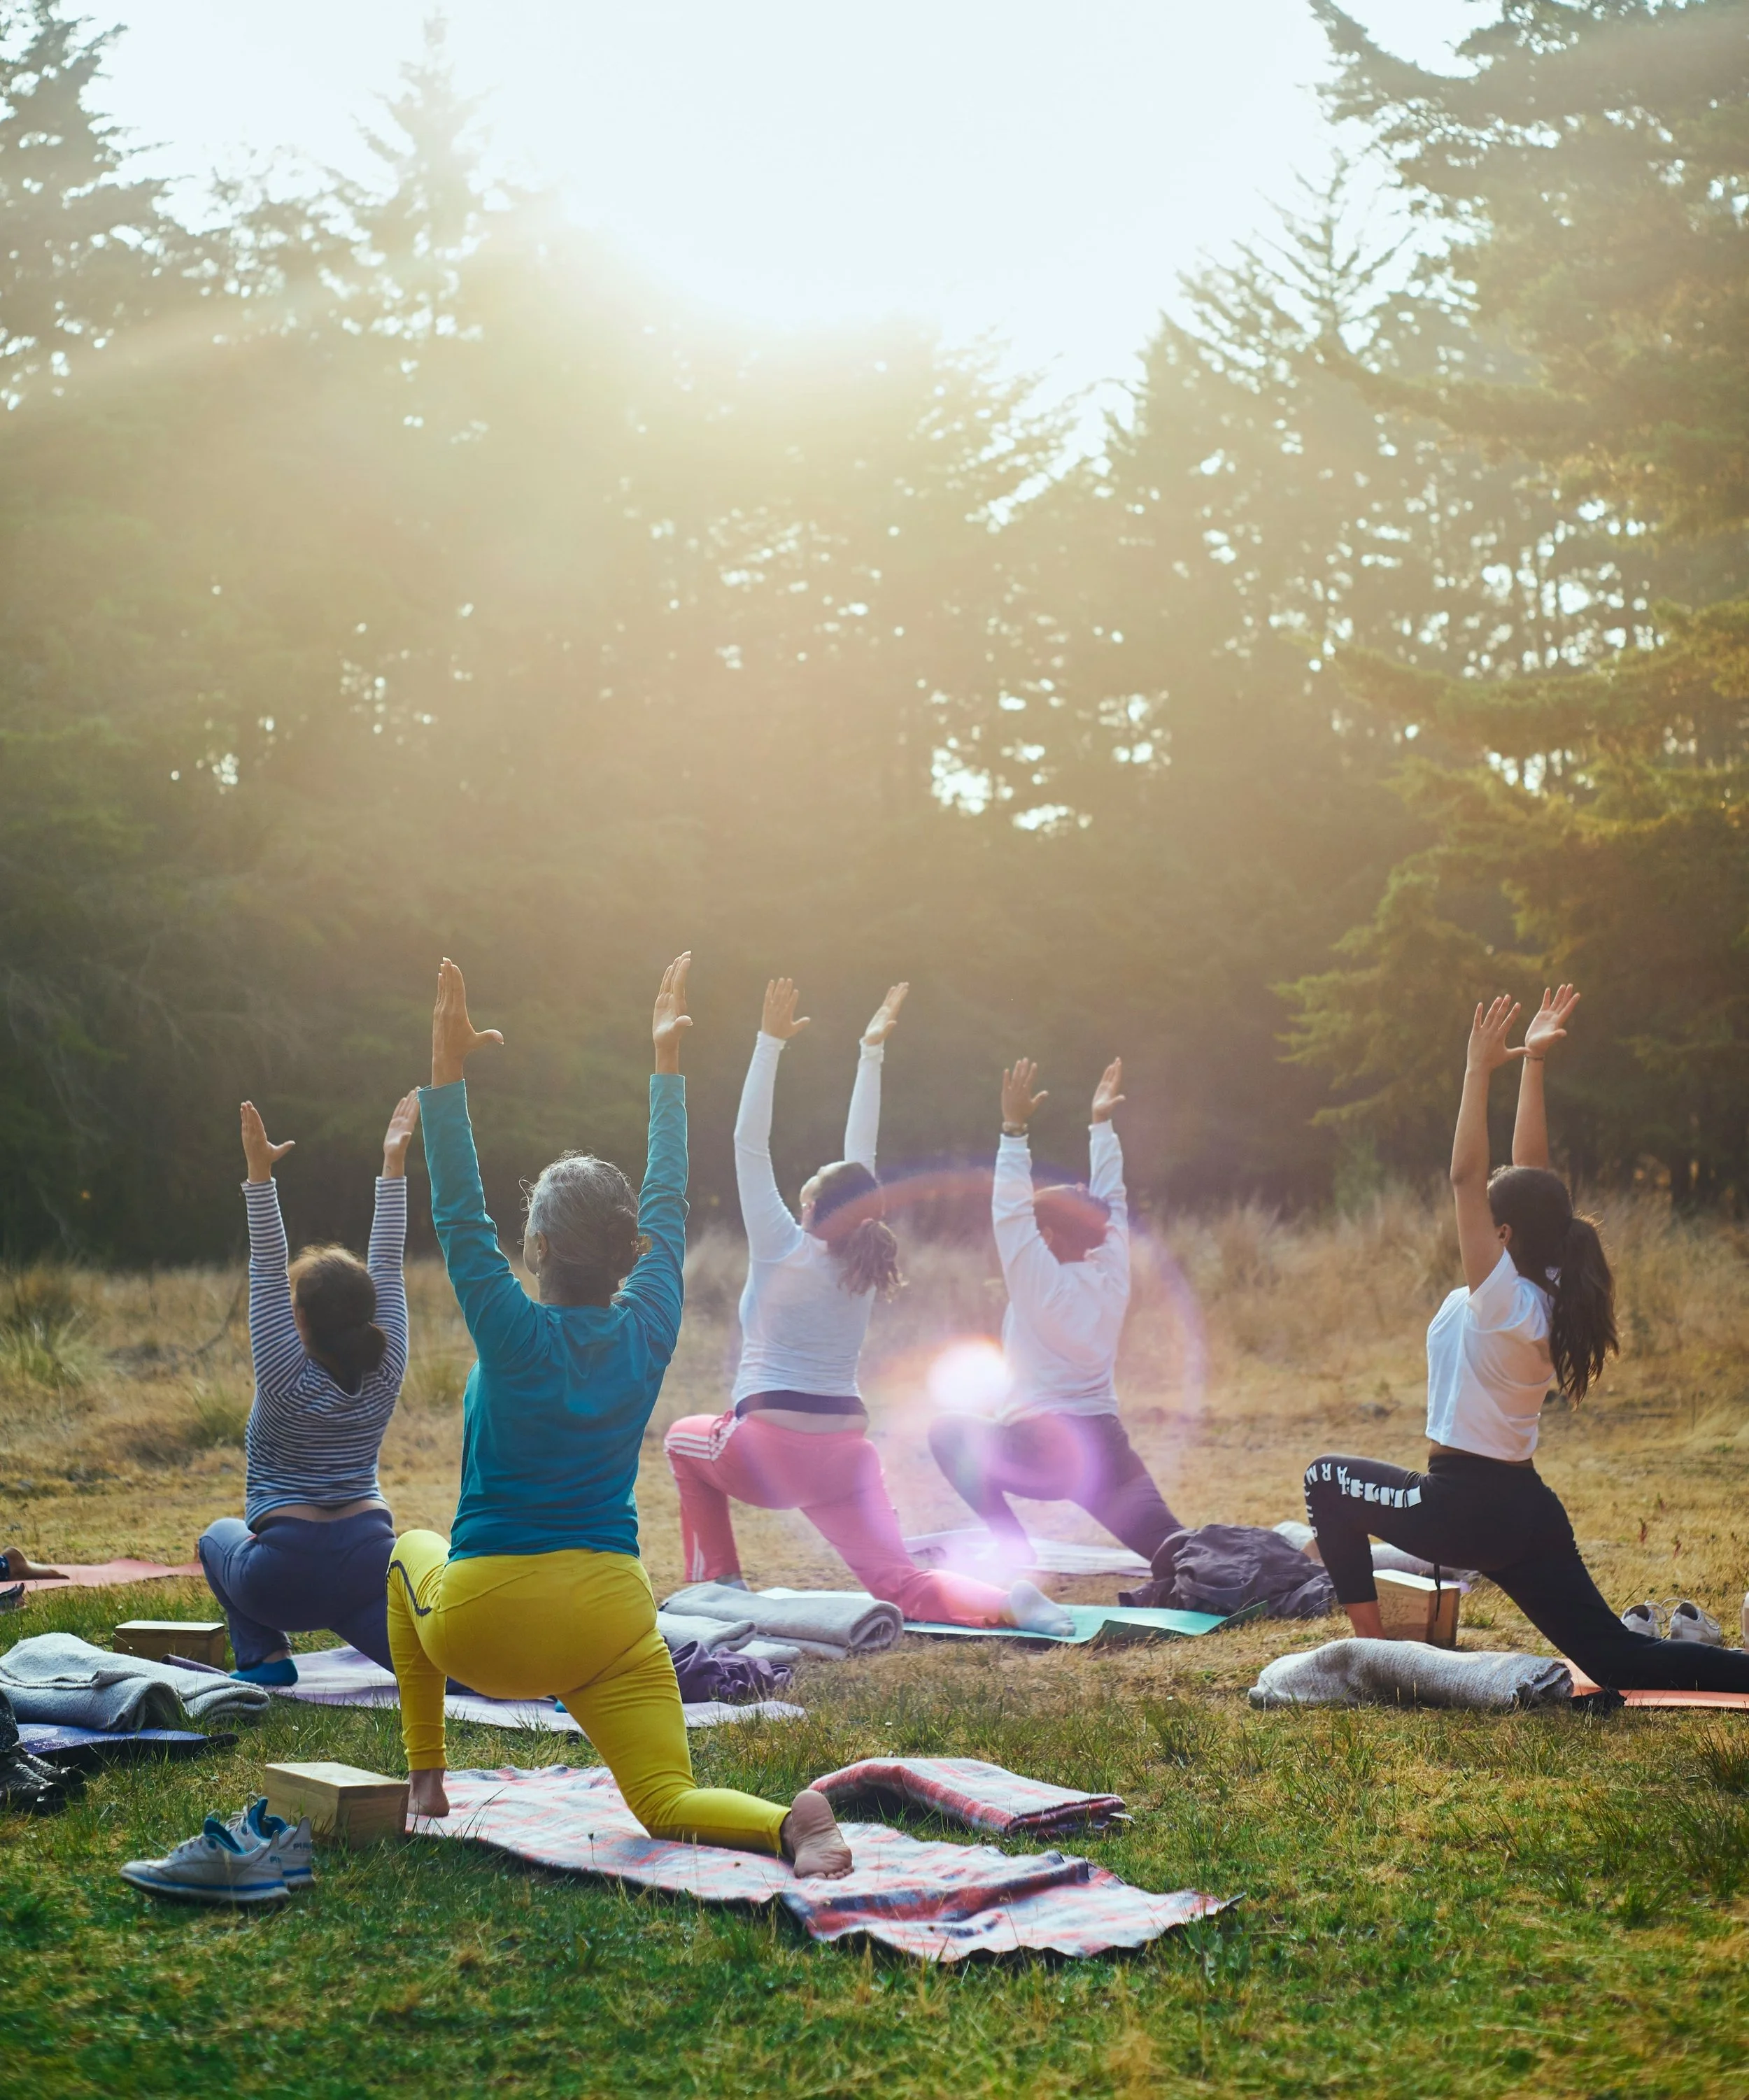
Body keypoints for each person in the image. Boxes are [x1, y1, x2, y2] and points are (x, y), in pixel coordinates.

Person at [388, 956, 851, 1876]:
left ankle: (426, 1776)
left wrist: (446, 1077)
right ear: (630, 1247)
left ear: (541, 1248)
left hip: (488, 1627)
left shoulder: (511, 1327)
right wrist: (667, 1070)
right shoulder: (648, 1327)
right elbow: (670, 1206)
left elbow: (457, 1212)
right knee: (664, 1801)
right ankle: (788, 1822)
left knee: (407, 1544)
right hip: (611, 1617)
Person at [1303, 987, 1749, 1693]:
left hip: (1461, 1508)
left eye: (1490, 1213)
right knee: (1619, 1660)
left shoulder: (1504, 1299)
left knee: (1322, 1479)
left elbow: (1463, 1176)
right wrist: (1533, 1062)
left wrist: (1477, 1070)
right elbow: (1531, 1173)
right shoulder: (1540, 1283)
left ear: (1501, 1232)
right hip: (1522, 1511)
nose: (1479, 1214)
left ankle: (1378, 1657)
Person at [664, 979, 1071, 1633]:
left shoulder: (782, 1245)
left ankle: (721, 1584)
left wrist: (768, 1043)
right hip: (847, 1454)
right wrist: (870, 1053)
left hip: (767, 1450)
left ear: (808, 1205)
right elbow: (864, 1159)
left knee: (682, 1440)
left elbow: (749, 1142)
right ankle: (1011, 1601)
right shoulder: (860, 1259)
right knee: (899, 1582)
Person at [928, 1056, 1184, 1569]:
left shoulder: (1037, 1283)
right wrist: (1101, 1127)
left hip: (1038, 1452)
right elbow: (1113, 1200)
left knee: (947, 1433)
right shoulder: (1112, 1274)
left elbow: (1009, 1212)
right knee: (1180, 1551)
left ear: (1046, 1236)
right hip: (1106, 1454)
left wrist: (1014, 1130)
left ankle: (1013, 1548)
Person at [198, 1090, 418, 1684]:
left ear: (297, 1319)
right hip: (371, 1562)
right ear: (369, 1312)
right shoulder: (388, 1360)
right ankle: (537, 1677)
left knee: (215, 1539)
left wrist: (259, 1174)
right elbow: (389, 1260)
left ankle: (266, 1659)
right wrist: (393, 1165)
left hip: (283, 1576)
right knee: (438, 1670)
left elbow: (267, 1264)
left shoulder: (282, 1373)